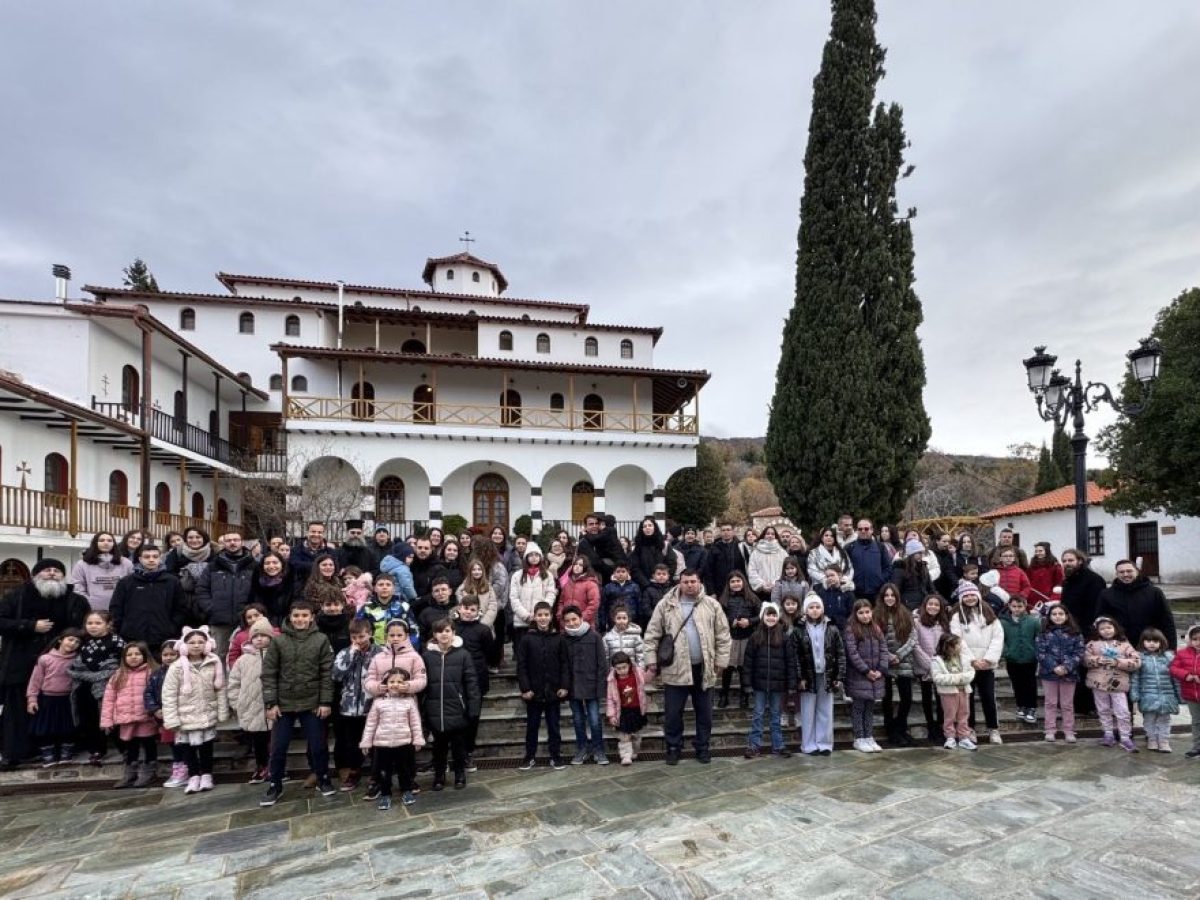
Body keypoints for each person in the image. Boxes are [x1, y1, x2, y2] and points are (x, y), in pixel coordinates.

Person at [0, 558, 91, 768]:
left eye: (57, 571)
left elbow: (84, 628)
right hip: (21, 662)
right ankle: (17, 752)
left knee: (63, 708)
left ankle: (63, 749)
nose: (52, 573)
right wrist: (30, 626)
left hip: (63, 665)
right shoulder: (17, 596)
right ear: (36, 575)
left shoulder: (75, 600)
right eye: (47, 570)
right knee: (19, 709)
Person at [642, 569, 731, 765]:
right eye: (685, 581)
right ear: (679, 583)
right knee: (673, 713)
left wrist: (721, 661)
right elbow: (652, 634)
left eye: (693, 581)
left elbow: (723, 635)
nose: (689, 585)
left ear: (699, 582)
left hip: (703, 669)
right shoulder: (666, 605)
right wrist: (651, 660)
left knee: (705, 713)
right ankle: (673, 747)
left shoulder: (711, 604)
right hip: (676, 668)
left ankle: (702, 747)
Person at [259, 602, 336, 805]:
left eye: (304, 615)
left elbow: (326, 673)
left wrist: (325, 701)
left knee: (318, 745)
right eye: (296, 615)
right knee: (278, 747)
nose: (300, 619)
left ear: (311, 617)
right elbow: (269, 673)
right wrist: (270, 703)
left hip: (312, 702)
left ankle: (323, 778)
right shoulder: (278, 641)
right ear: (290, 617)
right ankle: (275, 784)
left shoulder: (321, 640)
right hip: (284, 703)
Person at [162, 625, 230, 794]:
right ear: (184, 645)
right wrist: (171, 718)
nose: (196, 645)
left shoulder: (213, 663)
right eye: (192, 642)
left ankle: (207, 774)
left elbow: (220, 688)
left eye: (201, 642)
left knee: (206, 746)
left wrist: (222, 711)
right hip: (185, 715)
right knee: (188, 748)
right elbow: (169, 694)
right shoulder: (177, 667)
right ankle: (193, 775)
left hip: (206, 712)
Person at [421, 618, 481, 790]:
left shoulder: (463, 655)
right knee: (439, 748)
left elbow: (471, 683)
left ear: (453, 633)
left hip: (457, 710)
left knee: (458, 747)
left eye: (447, 631)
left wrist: (473, 708)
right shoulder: (427, 656)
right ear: (434, 635)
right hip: (435, 710)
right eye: (440, 631)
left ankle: (460, 774)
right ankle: (439, 776)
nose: (444, 634)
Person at [360, 668, 425, 810]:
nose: (395, 684)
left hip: (404, 743)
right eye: (392, 681)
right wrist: (366, 741)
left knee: (405, 770)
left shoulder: (409, 701)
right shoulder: (378, 702)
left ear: (405, 684)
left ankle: (407, 790)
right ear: (386, 683)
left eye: (399, 681)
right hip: (382, 745)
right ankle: (385, 793)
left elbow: (415, 722)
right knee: (384, 771)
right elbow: (371, 723)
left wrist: (418, 739)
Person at [331, 618, 383, 792]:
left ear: (370, 634)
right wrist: (351, 654)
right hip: (350, 707)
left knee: (375, 742)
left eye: (361, 636)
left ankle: (377, 774)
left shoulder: (380, 653)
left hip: (372, 706)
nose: (358, 640)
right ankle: (354, 771)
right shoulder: (344, 653)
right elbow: (337, 675)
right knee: (353, 743)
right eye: (354, 637)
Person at [950, 581, 1005, 745]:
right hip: (968, 666)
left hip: (986, 665)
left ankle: (993, 729)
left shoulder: (990, 615)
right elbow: (957, 640)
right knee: (967, 699)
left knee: (988, 697)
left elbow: (998, 638)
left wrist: (988, 659)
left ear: (978, 596)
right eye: (965, 595)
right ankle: (969, 729)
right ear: (961, 598)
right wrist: (972, 660)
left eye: (972, 594)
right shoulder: (956, 617)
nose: (969, 598)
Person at [516, 601, 569, 770]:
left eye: (546, 615)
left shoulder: (559, 639)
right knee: (532, 726)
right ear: (535, 616)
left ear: (551, 616)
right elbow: (522, 666)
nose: (543, 618)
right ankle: (529, 756)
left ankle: (556, 756)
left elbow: (565, 664)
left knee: (554, 726)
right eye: (540, 615)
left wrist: (564, 686)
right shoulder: (527, 639)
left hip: (553, 691)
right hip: (534, 692)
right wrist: (525, 688)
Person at [100, 641, 159, 788]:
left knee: (148, 744)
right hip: (126, 719)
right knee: (130, 746)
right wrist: (107, 721)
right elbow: (109, 699)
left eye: (137, 654)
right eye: (129, 654)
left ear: (145, 656)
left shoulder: (152, 672)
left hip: (146, 718)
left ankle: (149, 771)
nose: (133, 657)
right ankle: (130, 772)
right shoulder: (118, 675)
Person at [742, 602, 797, 759]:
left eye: (774, 615)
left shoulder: (784, 638)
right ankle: (754, 745)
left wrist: (791, 684)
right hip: (759, 684)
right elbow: (748, 661)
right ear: (762, 617)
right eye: (768, 615)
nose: (771, 618)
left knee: (775, 715)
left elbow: (790, 662)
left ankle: (778, 745)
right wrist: (746, 683)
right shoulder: (755, 637)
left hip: (777, 684)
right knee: (758, 714)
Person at [71, 610, 125, 765]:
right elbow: (79, 663)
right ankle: (96, 750)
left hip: (109, 684)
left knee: (112, 717)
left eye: (98, 623)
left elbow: (123, 662)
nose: (93, 626)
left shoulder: (116, 641)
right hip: (85, 684)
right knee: (89, 719)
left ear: (108, 625)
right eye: (89, 623)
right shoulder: (84, 642)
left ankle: (124, 748)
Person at [793, 595, 844, 755]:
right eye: (811, 607)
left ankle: (825, 744)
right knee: (807, 711)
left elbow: (840, 654)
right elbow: (795, 656)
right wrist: (800, 677)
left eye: (817, 607)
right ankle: (808, 745)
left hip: (826, 674)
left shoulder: (832, 628)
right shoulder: (798, 630)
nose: (814, 610)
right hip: (808, 676)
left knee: (825, 710)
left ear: (822, 609)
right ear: (805, 610)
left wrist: (838, 676)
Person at [227, 617, 274, 784]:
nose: (259, 639)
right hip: (251, 707)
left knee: (274, 740)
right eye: (255, 636)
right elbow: (233, 683)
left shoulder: (276, 656)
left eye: (263, 635)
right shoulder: (243, 660)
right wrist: (236, 703)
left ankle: (274, 767)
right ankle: (261, 766)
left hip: (272, 708)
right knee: (258, 742)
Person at [26, 628, 84, 766]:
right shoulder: (45, 659)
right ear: (60, 640)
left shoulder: (77, 660)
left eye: (77, 642)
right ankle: (48, 755)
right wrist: (32, 699)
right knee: (46, 729)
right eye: (70, 639)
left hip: (68, 700)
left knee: (67, 728)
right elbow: (35, 680)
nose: (73, 643)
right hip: (48, 699)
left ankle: (66, 754)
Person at [561, 605, 610, 765]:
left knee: (595, 719)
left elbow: (602, 663)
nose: (572, 623)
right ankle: (582, 749)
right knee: (577, 719)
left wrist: (601, 686)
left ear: (581, 618)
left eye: (574, 619)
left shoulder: (594, 636)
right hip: (573, 686)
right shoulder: (564, 639)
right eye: (568, 621)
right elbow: (563, 665)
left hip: (591, 685)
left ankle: (599, 750)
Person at [1060, 548, 1105, 717]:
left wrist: (1088, 630)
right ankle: (1077, 704)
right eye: (1064, 561)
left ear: (1080, 561)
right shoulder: (1069, 580)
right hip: (1070, 630)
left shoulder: (1093, 580)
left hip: (1086, 631)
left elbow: (1096, 608)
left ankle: (1089, 706)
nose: (1067, 563)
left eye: (1070, 560)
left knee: (1086, 669)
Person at [1085, 616, 1141, 752]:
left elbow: (1137, 661)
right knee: (1103, 710)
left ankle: (1125, 737)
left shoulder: (1124, 644)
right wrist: (1098, 660)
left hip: (1118, 684)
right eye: (1102, 628)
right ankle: (1108, 734)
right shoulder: (1092, 644)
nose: (1106, 631)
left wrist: (1118, 662)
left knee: (1123, 711)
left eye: (1109, 627)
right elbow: (1084, 660)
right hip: (1098, 683)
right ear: (1097, 630)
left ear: (1115, 628)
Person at [196, 532, 256, 657]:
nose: (232, 543)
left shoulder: (253, 565)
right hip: (219, 621)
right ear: (224, 543)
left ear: (242, 542)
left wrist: (253, 612)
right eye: (228, 540)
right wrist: (211, 608)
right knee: (219, 655)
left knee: (247, 654)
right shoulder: (213, 566)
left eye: (236, 540)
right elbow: (202, 589)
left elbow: (259, 590)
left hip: (246, 620)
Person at [1095, 559, 1177, 650]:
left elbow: (1167, 621)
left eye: (1129, 571)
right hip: (1119, 647)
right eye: (1121, 572)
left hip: (1149, 645)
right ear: (1116, 574)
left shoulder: (1154, 592)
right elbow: (1100, 620)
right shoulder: (1106, 594)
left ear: (1137, 571)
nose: (1125, 574)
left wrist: (1172, 648)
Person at [454, 596, 494, 771]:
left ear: (478, 611)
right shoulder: (451, 627)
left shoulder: (483, 630)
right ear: (459, 608)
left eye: (472, 609)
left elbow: (490, 654)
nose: (468, 612)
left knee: (472, 717)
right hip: (454, 679)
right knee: (456, 718)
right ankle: (455, 753)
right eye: (466, 608)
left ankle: (468, 754)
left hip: (476, 680)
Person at [843, 599, 888, 753]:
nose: (865, 616)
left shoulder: (876, 629)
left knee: (870, 707)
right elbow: (852, 654)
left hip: (875, 675)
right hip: (859, 676)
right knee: (858, 707)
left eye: (867, 612)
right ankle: (859, 737)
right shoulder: (851, 630)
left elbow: (883, 649)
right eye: (861, 613)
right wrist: (866, 671)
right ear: (855, 614)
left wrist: (881, 669)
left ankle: (869, 736)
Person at [874, 585, 917, 746]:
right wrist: (888, 656)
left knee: (907, 698)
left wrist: (899, 654)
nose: (889, 598)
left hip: (903, 661)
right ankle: (890, 729)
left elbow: (913, 637)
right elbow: (875, 639)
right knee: (887, 699)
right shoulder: (876, 614)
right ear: (882, 597)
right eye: (886, 595)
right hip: (885, 662)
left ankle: (900, 727)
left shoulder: (905, 613)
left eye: (892, 595)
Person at [1036, 604, 1084, 744]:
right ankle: (1050, 729)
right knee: (1050, 702)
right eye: (1054, 614)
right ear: (1049, 617)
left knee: (1067, 704)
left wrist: (1067, 666)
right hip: (1049, 673)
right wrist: (1053, 666)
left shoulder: (1075, 633)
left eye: (1061, 614)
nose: (1058, 616)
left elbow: (1079, 652)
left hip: (1069, 674)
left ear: (1066, 616)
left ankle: (1068, 730)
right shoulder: (1044, 633)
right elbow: (1040, 652)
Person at [1131, 628, 1179, 753]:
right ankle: (1152, 739)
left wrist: (1179, 695)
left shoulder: (1169, 658)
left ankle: (1164, 741)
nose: (1151, 643)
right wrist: (1135, 696)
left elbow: (1175, 678)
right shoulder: (1139, 658)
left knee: (1165, 720)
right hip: (1147, 696)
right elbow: (1135, 679)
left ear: (1161, 642)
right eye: (1148, 641)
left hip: (1166, 696)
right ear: (1143, 642)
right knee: (1149, 720)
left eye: (1155, 641)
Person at [146, 641, 187, 787]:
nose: (168, 657)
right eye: (165, 655)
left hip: (182, 715)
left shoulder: (185, 672)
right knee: (172, 744)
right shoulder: (156, 674)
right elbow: (149, 693)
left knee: (183, 743)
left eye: (172, 654)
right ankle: (178, 769)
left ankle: (186, 769)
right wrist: (155, 709)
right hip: (165, 717)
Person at [717, 572, 760, 709]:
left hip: (747, 637)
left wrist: (750, 621)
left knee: (743, 668)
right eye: (733, 581)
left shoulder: (752, 598)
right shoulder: (723, 599)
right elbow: (718, 616)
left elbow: (761, 614)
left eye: (738, 581)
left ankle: (744, 695)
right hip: (729, 637)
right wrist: (730, 622)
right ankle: (724, 695)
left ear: (743, 582)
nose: (736, 584)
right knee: (728, 668)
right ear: (728, 584)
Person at [930, 633, 976, 750]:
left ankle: (964, 737)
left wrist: (961, 678)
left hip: (964, 691)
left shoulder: (964, 658)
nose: (960, 646)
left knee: (964, 714)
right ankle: (950, 737)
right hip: (948, 693)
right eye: (957, 644)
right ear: (949, 646)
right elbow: (937, 677)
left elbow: (970, 673)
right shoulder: (937, 660)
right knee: (949, 715)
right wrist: (957, 678)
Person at [912, 595, 949, 745]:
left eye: (936, 605)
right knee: (927, 697)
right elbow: (915, 644)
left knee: (941, 697)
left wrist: (940, 664)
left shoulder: (943, 623)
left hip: (941, 666)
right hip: (924, 666)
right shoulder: (917, 622)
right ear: (924, 605)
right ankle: (930, 726)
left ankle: (941, 726)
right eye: (930, 604)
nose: (933, 607)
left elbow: (947, 644)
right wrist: (930, 664)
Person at [1000, 594, 1041, 725]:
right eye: (1014, 606)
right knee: (1017, 684)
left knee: (1030, 684)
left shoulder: (1033, 621)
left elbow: (1038, 639)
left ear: (1025, 606)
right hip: (1012, 659)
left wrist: (1036, 652)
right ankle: (1021, 705)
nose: (1017, 609)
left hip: (1030, 659)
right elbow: (1001, 640)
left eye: (1020, 606)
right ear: (1009, 606)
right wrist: (1006, 652)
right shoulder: (1003, 622)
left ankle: (1031, 707)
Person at [70, 532, 133, 612]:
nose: (106, 543)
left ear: (114, 544)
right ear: (95, 543)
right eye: (102, 540)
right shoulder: (82, 564)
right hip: (93, 610)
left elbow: (132, 585)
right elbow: (78, 586)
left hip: (120, 609)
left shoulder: (126, 563)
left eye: (109, 540)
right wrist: (89, 603)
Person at [606, 651, 647, 766]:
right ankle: (625, 755)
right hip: (623, 711)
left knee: (636, 734)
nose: (622, 670)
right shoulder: (613, 681)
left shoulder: (637, 674)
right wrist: (612, 715)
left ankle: (634, 751)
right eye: (618, 668)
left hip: (637, 710)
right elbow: (610, 699)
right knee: (624, 736)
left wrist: (652, 670)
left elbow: (647, 678)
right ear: (614, 668)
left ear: (629, 665)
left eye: (624, 667)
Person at [509, 546, 556, 642]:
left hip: (540, 621)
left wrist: (539, 613)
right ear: (526, 557)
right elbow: (514, 598)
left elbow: (550, 595)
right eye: (531, 555)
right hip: (521, 621)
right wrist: (525, 615)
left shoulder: (547, 575)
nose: (534, 557)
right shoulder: (517, 575)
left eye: (536, 555)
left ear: (540, 557)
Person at [359, 574, 418, 648]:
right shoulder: (367, 608)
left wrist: (410, 648)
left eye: (388, 585)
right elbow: (358, 630)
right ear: (375, 588)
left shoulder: (404, 606)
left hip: (400, 649)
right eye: (381, 585)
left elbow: (414, 629)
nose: (384, 587)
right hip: (374, 649)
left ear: (394, 589)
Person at [1168, 625, 1200, 759]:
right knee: (1196, 722)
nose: (1198, 642)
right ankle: (1197, 746)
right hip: (1191, 695)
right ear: (1190, 640)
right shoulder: (1182, 653)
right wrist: (1187, 675)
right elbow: (1173, 668)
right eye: (1195, 639)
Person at [575, 513, 628, 586]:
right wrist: (614, 570)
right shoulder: (584, 542)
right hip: (593, 581)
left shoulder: (603, 538)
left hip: (610, 580)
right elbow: (596, 563)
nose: (594, 526)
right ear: (585, 527)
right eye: (591, 524)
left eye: (597, 523)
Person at [845, 520, 892, 601]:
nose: (863, 531)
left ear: (872, 530)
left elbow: (887, 568)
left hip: (877, 592)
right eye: (860, 529)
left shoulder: (880, 547)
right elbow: (844, 568)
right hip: (856, 593)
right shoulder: (849, 547)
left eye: (866, 529)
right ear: (857, 530)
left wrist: (880, 579)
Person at [247, 552, 296, 626]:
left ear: (282, 564)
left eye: (275, 562)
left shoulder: (292, 584)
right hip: (260, 628)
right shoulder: (256, 584)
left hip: (285, 627)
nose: (271, 566)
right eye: (267, 563)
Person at [629, 517, 676, 591]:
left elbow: (672, 564)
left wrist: (663, 579)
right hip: (644, 587)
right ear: (642, 529)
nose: (647, 528)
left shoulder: (664, 545)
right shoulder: (636, 547)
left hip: (663, 586)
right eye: (644, 526)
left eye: (650, 525)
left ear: (655, 527)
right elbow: (635, 568)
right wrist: (646, 584)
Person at [226, 603, 274, 671]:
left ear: (264, 615)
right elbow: (233, 656)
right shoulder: (240, 636)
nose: (253, 619)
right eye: (249, 617)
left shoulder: (275, 632)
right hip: (247, 672)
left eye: (256, 615)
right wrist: (237, 670)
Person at [702, 522, 745, 597]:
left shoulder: (740, 547)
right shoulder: (714, 548)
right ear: (720, 532)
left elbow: (745, 568)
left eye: (728, 530)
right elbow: (708, 571)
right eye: (723, 530)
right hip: (719, 589)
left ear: (733, 532)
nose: (726, 532)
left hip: (738, 587)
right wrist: (711, 591)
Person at [558, 557, 601, 629]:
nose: (577, 566)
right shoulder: (567, 583)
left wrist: (580, 618)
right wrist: (560, 615)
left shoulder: (591, 583)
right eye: (575, 564)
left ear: (585, 567)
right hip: (567, 623)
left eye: (580, 565)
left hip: (584, 624)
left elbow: (594, 605)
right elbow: (561, 602)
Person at [892, 540, 935, 612]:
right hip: (907, 607)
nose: (920, 555)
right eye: (918, 553)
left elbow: (931, 588)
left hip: (924, 605)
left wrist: (944, 603)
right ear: (911, 554)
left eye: (921, 552)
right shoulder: (900, 569)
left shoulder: (923, 567)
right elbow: (896, 591)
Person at [747, 526, 785, 603]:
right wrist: (762, 584)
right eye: (767, 534)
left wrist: (775, 584)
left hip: (778, 590)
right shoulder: (756, 552)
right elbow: (751, 570)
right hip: (761, 592)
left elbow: (785, 570)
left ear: (775, 536)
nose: (770, 536)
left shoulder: (782, 552)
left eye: (772, 534)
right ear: (764, 535)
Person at [600, 564, 641, 634]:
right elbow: (603, 606)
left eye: (623, 571)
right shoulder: (608, 587)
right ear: (614, 573)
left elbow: (639, 605)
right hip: (612, 621)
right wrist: (603, 623)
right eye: (618, 572)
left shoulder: (634, 587)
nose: (620, 574)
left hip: (630, 620)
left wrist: (638, 620)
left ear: (628, 573)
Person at [814, 565, 855, 630]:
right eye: (827, 576)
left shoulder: (848, 593)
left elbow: (852, 613)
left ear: (839, 575)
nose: (830, 578)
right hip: (825, 628)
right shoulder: (822, 593)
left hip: (842, 628)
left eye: (832, 575)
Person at [603, 605, 645, 669]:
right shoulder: (607, 638)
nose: (621, 621)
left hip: (632, 673)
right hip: (615, 673)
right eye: (619, 618)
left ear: (628, 619)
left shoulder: (636, 636)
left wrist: (640, 671)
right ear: (614, 619)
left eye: (624, 618)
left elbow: (641, 656)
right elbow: (606, 658)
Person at [290, 521, 330, 585]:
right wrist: (320, 566)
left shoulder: (330, 552)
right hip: (301, 589)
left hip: (324, 588)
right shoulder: (295, 550)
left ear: (324, 534)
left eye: (319, 532)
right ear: (307, 533)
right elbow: (295, 566)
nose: (316, 535)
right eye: (313, 532)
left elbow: (334, 569)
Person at [1027, 542, 1064, 610]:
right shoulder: (1032, 566)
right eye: (1036, 551)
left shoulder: (1055, 566)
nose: (1038, 553)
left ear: (1046, 551)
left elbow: (1059, 583)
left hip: (1048, 597)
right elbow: (1028, 581)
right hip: (1033, 597)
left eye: (1040, 551)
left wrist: (1054, 597)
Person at [317, 591, 353, 656]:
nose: (332, 608)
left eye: (336, 604)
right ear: (322, 606)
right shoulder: (315, 626)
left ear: (342, 605)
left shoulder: (351, 625)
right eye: (328, 604)